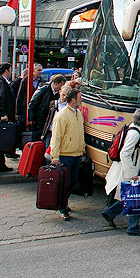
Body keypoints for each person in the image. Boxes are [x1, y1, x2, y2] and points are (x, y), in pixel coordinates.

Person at [102, 108, 140, 235]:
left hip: (132, 169)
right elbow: (125, 153)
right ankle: (133, 227)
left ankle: (110, 213)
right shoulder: (136, 134)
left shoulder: (135, 129)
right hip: (130, 171)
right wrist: (132, 174)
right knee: (136, 197)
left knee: (129, 196)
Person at [50, 88, 86, 221]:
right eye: (79, 97)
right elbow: (56, 137)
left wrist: (82, 148)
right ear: (72, 100)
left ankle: (64, 203)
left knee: (72, 181)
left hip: (76, 154)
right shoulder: (62, 115)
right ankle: (62, 207)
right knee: (66, 183)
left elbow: (80, 132)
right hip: (65, 155)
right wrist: (55, 156)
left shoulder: (78, 113)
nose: (81, 99)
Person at [28, 74, 66, 141]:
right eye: (61, 85)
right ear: (55, 84)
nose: (62, 88)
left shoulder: (58, 94)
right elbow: (32, 104)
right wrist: (31, 119)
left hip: (48, 122)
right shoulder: (43, 90)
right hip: (39, 120)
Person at [42, 82, 72, 148]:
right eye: (63, 95)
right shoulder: (53, 103)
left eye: (66, 96)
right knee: (48, 153)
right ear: (59, 92)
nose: (64, 98)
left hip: (62, 134)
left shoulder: (69, 107)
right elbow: (48, 118)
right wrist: (44, 133)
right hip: (51, 131)